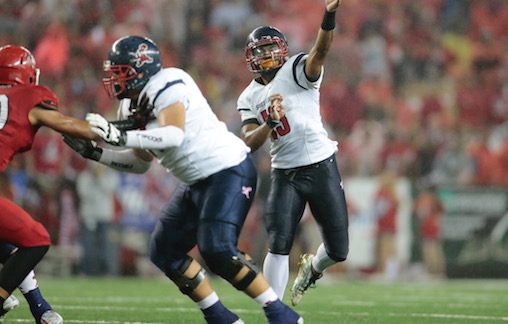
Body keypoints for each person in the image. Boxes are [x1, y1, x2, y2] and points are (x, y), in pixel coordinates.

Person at [63, 35, 303, 324]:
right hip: (195, 181)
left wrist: (119, 135)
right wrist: (97, 153)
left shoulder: (169, 83)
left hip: (227, 168)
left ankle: (282, 315)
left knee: (217, 249)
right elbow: (140, 162)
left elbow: (173, 134)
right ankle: (219, 316)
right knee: (164, 251)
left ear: (142, 68)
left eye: (121, 71)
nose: (114, 78)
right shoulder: (129, 108)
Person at [237, 0, 349, 306]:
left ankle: (312, 269)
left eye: (267, 48)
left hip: (320, 164)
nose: (263, 56)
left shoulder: (296, 68)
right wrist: (269, 123)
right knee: (279, 241)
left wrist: (330, 12)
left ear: (282, 50)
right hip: (285, 171)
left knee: (339, 250)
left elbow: (321, 51)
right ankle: (275, 312)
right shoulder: (248, 96)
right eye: (256, 51)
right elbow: (248, 140)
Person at [0, 44, 98, 323]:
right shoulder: (29, 96)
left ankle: (39, 307)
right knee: (36, 239)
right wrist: (116, 131)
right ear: (28, 75)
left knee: (7, 245)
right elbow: (63, 123)